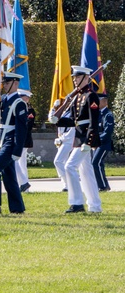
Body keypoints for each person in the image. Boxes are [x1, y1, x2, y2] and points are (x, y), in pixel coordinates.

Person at [51, 66, 102, 213]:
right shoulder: (78, 96)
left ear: (86, 78)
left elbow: (93, 121)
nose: (74, 80)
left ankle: (77, 203)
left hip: (85, 138)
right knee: (86, 172)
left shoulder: (91, 96)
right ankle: (95, 206)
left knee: (69, 166)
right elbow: (73, 120)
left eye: (77, 77)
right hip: (78, 137)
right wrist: (57, 120)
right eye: (74, 77)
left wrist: (89, 141)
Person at [0, 72, 28, 215]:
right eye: (4, 83)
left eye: (7, 83)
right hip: (3, 142)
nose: (4, 86)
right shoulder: (3, 100)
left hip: (10, 142)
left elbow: (21, 130)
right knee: (9, 176)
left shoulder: (19, 103)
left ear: (15, 83)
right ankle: (17, 208)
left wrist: (17, 151)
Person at [15, 92, 35, 192]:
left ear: (27, 98)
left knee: (21, 162)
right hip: (19, 139)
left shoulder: (30, 110)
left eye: (22, 97)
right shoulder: (18, 109)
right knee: (19, 162)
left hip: (24, 140)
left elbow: (28, 126)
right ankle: (22, 184)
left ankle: (24, 184)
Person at [93, 93, 114, 192]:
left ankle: (102, 186)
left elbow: (108, 131)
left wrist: (97, 140)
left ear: (104, 102)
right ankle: (104, 185)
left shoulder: (108, 115)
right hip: (97, 143)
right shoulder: (99, 114)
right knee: (98, 163)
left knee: (95, 162)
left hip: (104, 144)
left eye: (99, 100)